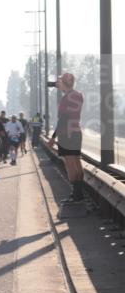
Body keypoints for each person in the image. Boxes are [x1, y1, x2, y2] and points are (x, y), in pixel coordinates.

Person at [47, 72, 85, 203]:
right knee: (77, 162)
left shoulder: (65, 99)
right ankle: (79, 194)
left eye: (59, 82)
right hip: (76, 132)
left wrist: (53, 137)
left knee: (69, 164)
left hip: (66, 134)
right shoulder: (79, 95)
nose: (57, 84)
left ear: (64, 83)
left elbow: (63, 119)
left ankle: (75, 194)